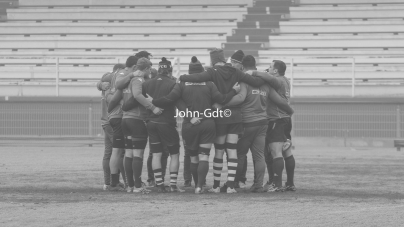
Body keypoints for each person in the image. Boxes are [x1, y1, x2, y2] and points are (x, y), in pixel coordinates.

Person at [179, 48, 278, 193]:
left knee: (219, 151)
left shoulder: (212, 72)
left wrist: (183, 77)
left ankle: (216, 186)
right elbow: (256, 82)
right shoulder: (236, 72)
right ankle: (231, 185)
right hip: (235, 116)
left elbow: (198, 78)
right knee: (232, 150)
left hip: (219, 115)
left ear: (213, 60)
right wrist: (260, 74)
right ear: (223, 59)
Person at [152, 56, 240, 194]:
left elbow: (171, 99)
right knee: (204, 156)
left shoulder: (181, 84)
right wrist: (234, 91)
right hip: (208, 123)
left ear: (189, 71)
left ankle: (195, 184)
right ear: (201, 72)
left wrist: (153, 102)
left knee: (193, 157)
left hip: (190, 126)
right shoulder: (210, 84)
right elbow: (222, 99)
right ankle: (199, 186)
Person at [221, 56, 294, 192]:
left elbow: (240, 98)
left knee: (239, 154)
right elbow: (278, 100)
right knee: (260, 155)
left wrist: (222, 103)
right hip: (263, 123)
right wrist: (290, 111)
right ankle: (259, 185)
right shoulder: (266, 83)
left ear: (243, 67)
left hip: (249, 123)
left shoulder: (244, 81)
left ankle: (234, 183)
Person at [248, 60, 296, 192]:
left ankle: (276, 184)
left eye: (270, 67)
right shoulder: (286, 80)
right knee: (287, 151)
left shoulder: (278, 81)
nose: (268, 69)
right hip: (285, 119)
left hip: (276, 120)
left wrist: (253, 72)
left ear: (275, 71)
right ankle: (290, 183)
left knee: (276, 152)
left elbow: (268, 77)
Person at [142, 57, 183, 193]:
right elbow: (173, 99)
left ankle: (159, 184)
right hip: (167, 122)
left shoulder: (147, 84)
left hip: (151, 122)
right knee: (175, 154)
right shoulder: (173, 83)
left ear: (158, 69)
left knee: (156, 154)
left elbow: (141, 100)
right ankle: (172, 184)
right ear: (169, 70)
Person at [119, 57, 159, 193]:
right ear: (147, 69)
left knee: (129, 153)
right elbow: (137, 95)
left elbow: (118, 86)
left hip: (125, 120)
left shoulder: (128, 79)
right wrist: (152, 107)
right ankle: (137, 186)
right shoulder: (139, 80)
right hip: (136, 120)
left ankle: (130, 186)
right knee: (138, 154)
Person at [96, 63, 125, 190]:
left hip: (105, 121)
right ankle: (126, 182)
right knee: (119, 152)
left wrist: (99, 85)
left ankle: (108, 183)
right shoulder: (112, 78)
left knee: (109, 152)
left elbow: (101, 82)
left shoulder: (107, 79)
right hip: (112, 120)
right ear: (118, 70)